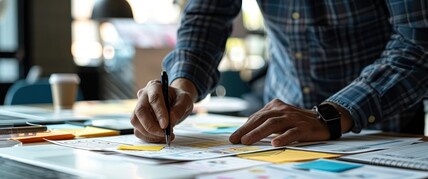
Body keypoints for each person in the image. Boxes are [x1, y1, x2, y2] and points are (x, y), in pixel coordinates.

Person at [131, 0, 428, 147]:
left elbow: (419, 42)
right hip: (277, 140)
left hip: (381, 137)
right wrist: (182, 85)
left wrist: (332, 114)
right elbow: (206, 17)